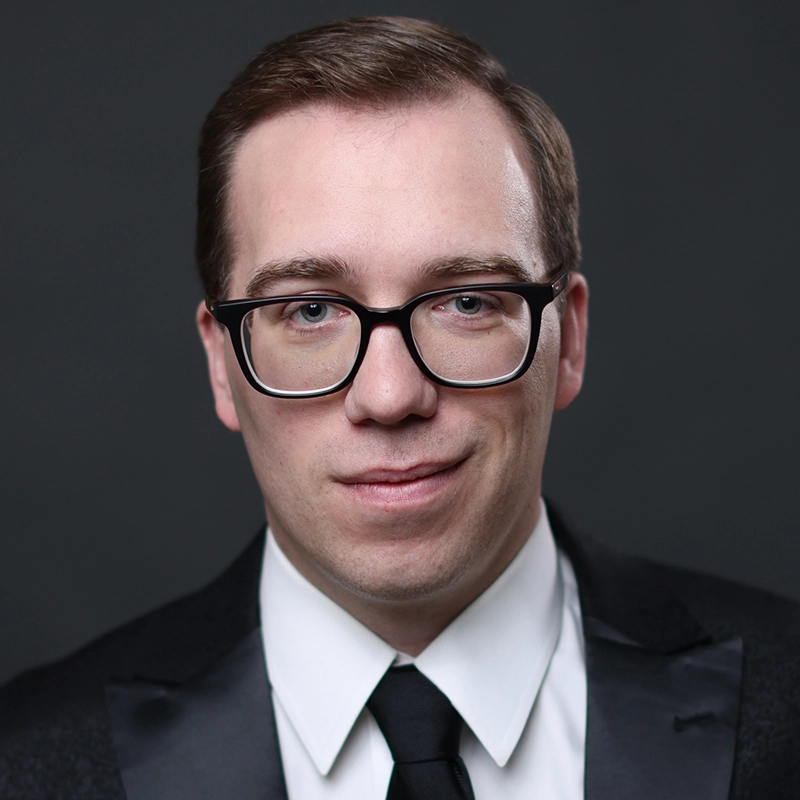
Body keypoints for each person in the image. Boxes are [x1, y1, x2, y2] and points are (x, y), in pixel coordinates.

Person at [1, 16, 797, 800]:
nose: (389, 397)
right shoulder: (27, 762)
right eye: (310, 311)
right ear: (221, 362)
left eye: (466, 302)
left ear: (570, 338)